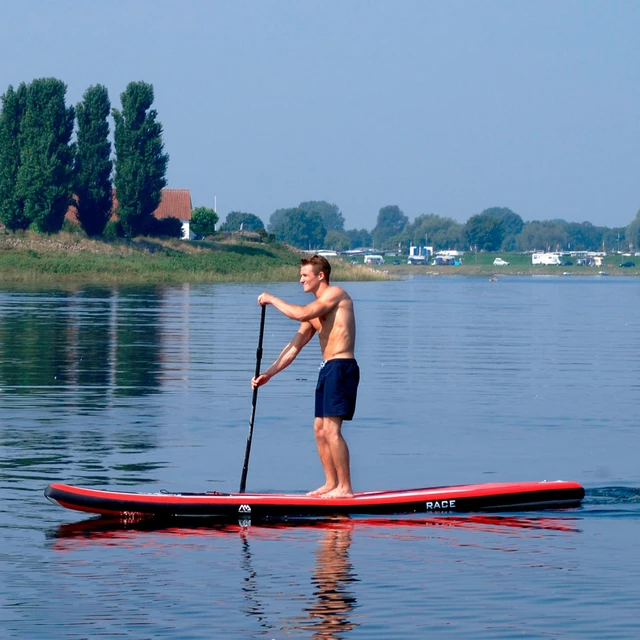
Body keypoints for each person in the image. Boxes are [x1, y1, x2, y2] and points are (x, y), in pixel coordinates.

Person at [251, 255, 359, 498]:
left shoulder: (336, 295)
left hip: (342, 367)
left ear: (320, 276)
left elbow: (300, 313)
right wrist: (268, 374)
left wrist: (271, 299)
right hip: (327, 368)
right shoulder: (314, 312)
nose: (300, 280)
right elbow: (293, 347)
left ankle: (345, 488)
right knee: (319, 429)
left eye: (304, 275)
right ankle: (331, 483)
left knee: (332, 430)